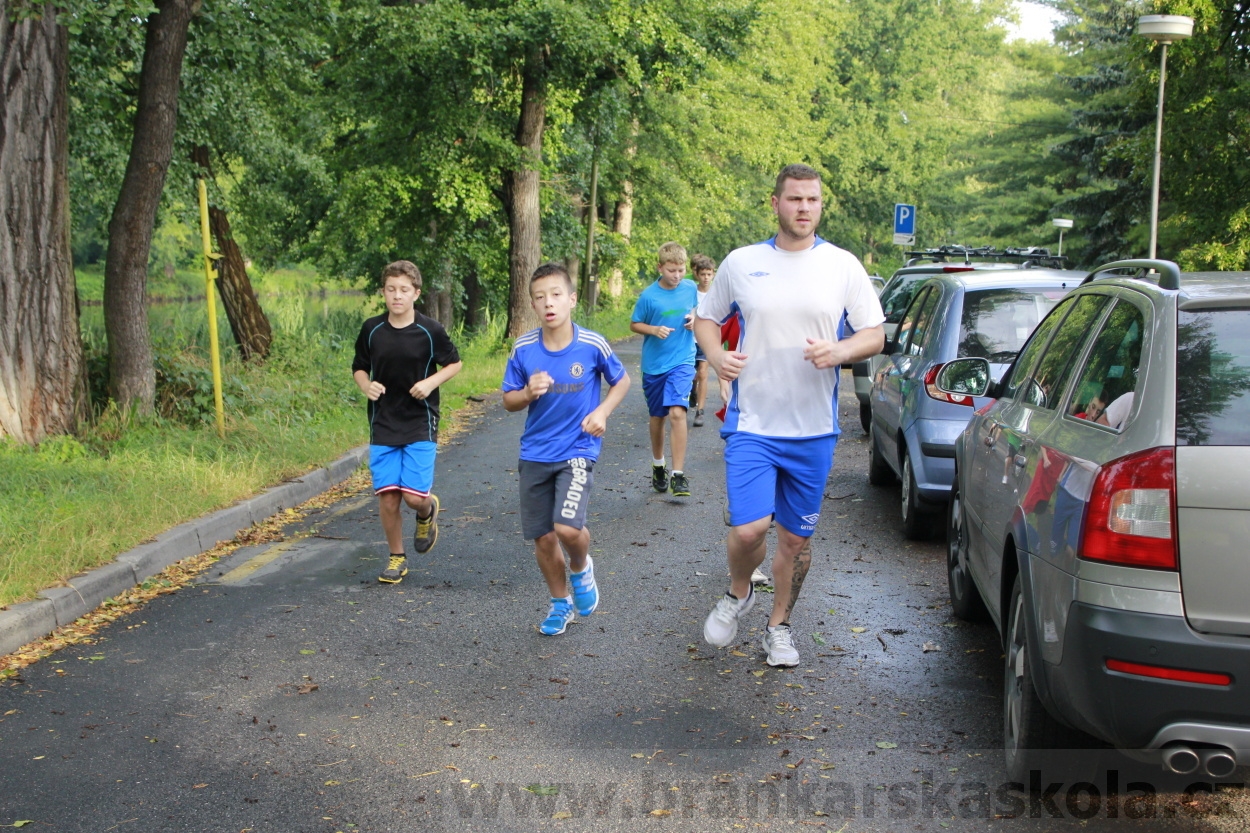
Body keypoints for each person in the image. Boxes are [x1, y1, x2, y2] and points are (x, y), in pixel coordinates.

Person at [694, 164, 885, 667]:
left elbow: (875, 334)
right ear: (775, 203)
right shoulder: (742, 262)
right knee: (749, 529)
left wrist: (840, 350)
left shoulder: (842, 266)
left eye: (813, 200)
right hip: (753, 423)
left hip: (813, 430)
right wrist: (716, 358)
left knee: (796, 540)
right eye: (795, 199)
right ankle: (739, 594)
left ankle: (778, 628)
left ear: (821, 205)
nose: (804, 208)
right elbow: (706, 320)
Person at [502, 263, 631, 635]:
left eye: (556, 294)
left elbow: (621, 382)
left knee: (567, 527)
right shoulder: (524, 348)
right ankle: (560, 605)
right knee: (543, 536)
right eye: (540, 297)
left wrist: (603, 411)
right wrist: (527, 393)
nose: (549, 303)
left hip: (578, 449)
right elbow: (508, 400)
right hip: (535, 454)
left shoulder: (592, 344)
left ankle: (581, 567)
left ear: (572, 299)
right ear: (532, 304)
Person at [352, 260, 463, 584]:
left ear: (415, 293)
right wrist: (365, 385)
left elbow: (454, 364)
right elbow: (359, 366)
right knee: (388, 496)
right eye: (390, 289)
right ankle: (396, 558)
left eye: (403, 290)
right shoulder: (371, 329)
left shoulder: (430, 331)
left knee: (413, 497)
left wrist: (430, 383)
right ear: (383, 292)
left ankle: (426, 511)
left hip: (420, 419)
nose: (396, 296)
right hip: (384, 421)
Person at [630, 242, 699, 497]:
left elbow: (695, 308)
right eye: (672, 270)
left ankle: (678, 475)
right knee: (658, 417)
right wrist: (653, 329)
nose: (677, 275)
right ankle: (659, 464)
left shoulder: (690, 287)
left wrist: (694, 318)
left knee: (678, 412)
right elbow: (634, 324)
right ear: (660, 267)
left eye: (681, 270)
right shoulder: (649, 296)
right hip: (655, 365)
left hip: (683, 359)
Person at [689, 254, 718, 427]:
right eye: (703, 274)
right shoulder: (691, 291)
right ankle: (692, 388)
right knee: (692, 374)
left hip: (707, 339)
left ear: (713, 274)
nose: (706, 278)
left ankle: (700, 411)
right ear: (697, 275)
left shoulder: (716, 293)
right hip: (690, 338)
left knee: (703, 372)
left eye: (709, 274)